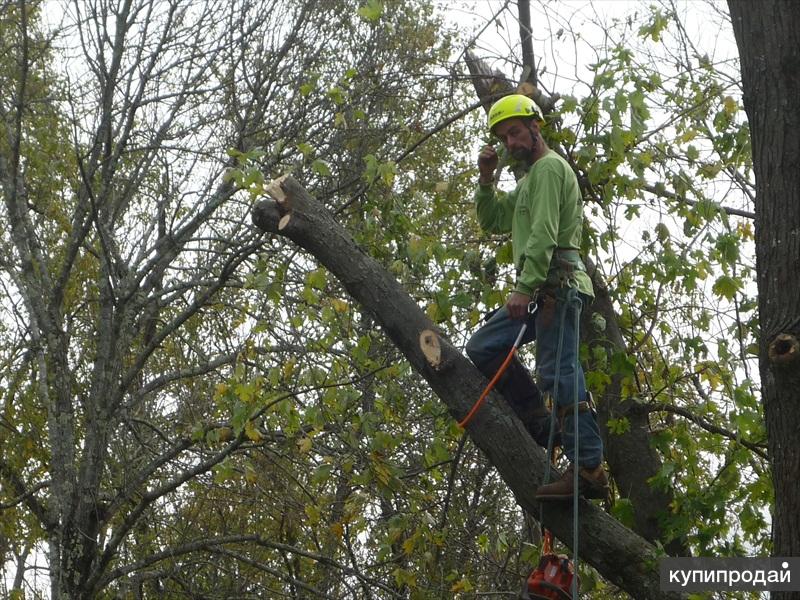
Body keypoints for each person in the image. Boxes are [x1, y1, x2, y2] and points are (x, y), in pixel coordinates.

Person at [465, 94, 608, 500]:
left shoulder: (548, 169)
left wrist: (524, 287)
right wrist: (486, 178)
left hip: (554, 287)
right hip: (540, 288)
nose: (510, 143)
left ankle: (590, 468)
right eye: (503, 137)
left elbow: (544, 233)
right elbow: (493, 219)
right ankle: (544, 426)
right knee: (484, 348)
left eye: (514, 132)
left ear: (535, 127)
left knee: (560, 372)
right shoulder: (529, 180)